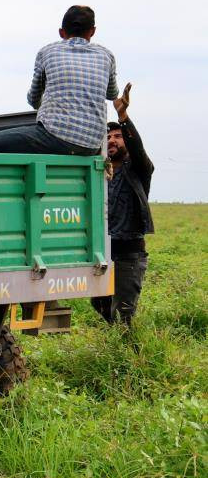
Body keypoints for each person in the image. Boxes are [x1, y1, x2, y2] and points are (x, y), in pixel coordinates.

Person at [0, 5, 120, 155]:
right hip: (92, 145)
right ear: (93, 31)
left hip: (57, 137)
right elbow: (112, 94)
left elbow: (34, 98)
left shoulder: (48, 52)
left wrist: (43, 102)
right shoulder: (106, 55)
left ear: (61, 32)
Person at [91, 84, 153, 326]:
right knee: (99, 304)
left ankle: (129, 356)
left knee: (123, 312)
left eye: (117, 136)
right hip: (103, 252)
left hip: (129, 253)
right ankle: (117, 342)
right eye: (108, 137)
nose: (112, 140)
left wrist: (123, 117)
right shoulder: (99, 174)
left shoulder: (139, 170)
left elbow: (137, 149)